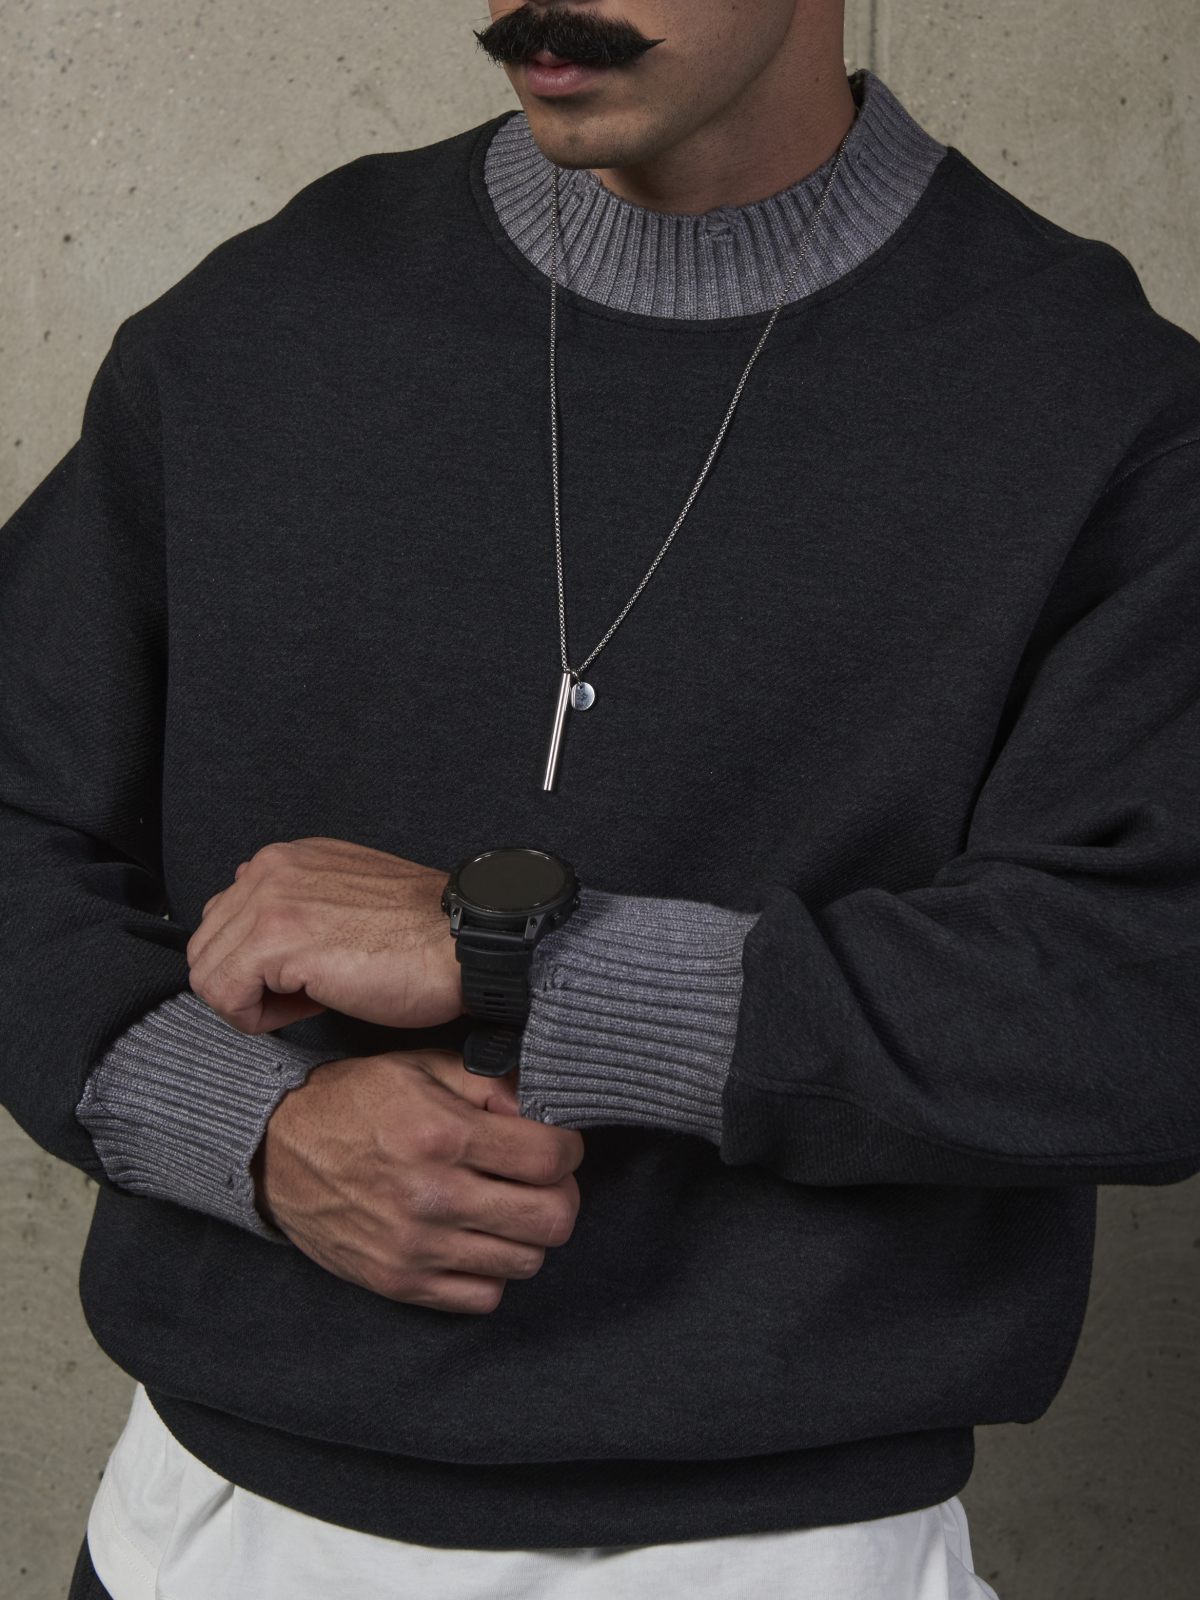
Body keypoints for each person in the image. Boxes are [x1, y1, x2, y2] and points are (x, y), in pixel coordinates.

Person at [4, 1, 1200, 1596]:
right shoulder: (270, 317)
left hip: (777, 1559)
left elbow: (1146, 998)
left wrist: (540, 968)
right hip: (213, 1529)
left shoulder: (1098, 403)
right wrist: (247, 1128)